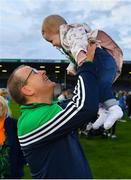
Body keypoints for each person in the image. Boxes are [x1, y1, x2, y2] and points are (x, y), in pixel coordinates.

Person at [7, 44, 99, 179]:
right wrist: (84, 63)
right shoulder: (31, 121)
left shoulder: (51, 108)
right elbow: (85, 107)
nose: (42, 71)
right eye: (34, 72)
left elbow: (85, 101)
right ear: (27, 90)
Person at [41, 14, 123, 130]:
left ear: (58, 30)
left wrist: (80, 60)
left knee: (101, 84)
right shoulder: (69, 41)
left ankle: (114, 109)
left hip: (101, 60)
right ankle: (102, 112)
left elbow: (78, 45)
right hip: (96, 61)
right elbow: (76, 50)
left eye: (51, 40)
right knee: (94, 89)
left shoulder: (71, 33)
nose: (53, 45)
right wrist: (72, 66)